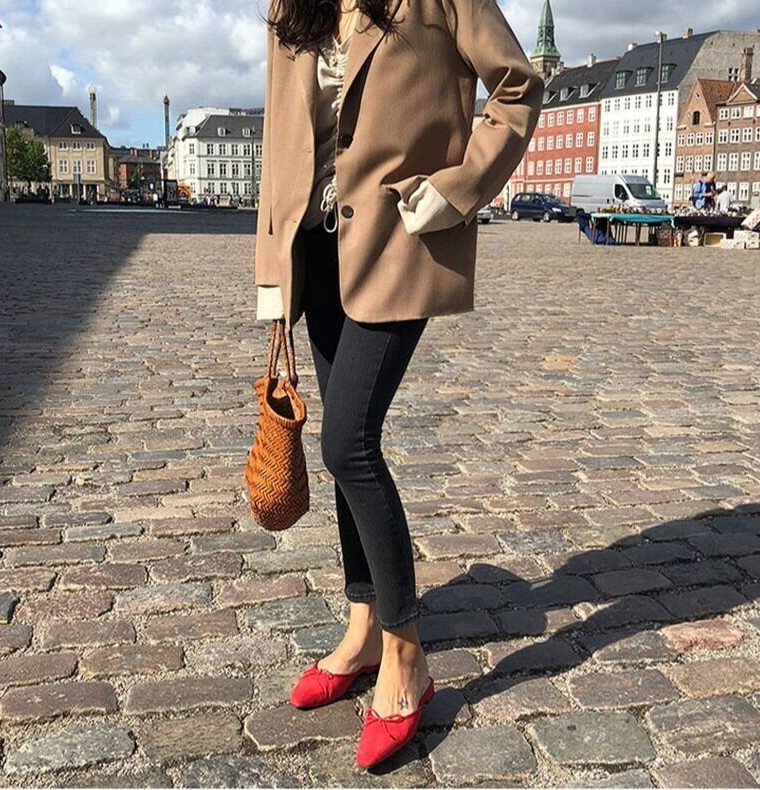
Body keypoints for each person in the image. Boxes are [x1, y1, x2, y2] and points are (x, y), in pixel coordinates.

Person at [253, 0, 543, 769]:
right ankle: (362, 627)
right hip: (314, 251)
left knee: (347, 443)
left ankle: (405, 650)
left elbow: (517, 84)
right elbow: (280, 138)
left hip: (396, 242)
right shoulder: (291, 6)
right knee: (347, 446)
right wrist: (272, 271)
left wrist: (460, 185)